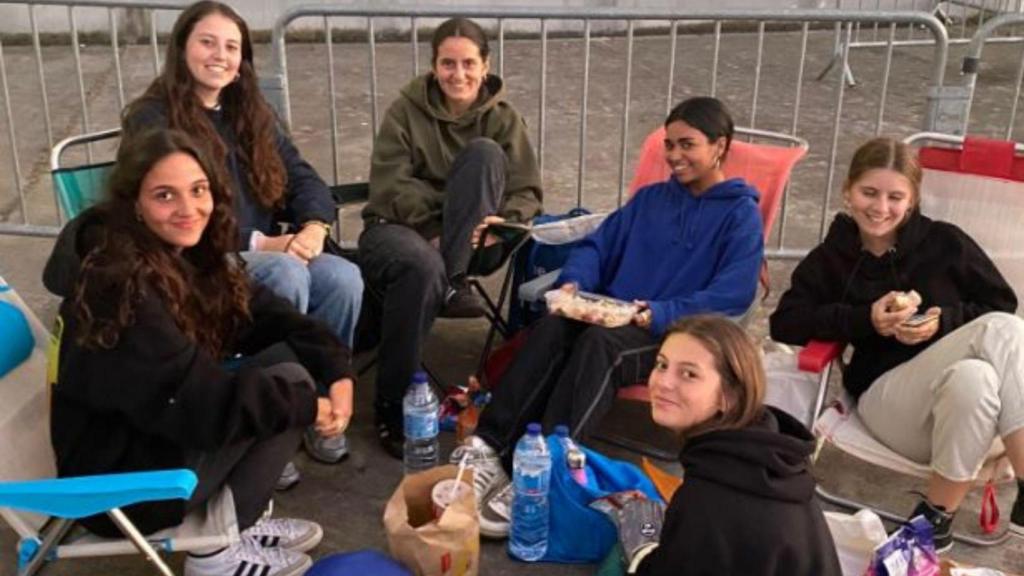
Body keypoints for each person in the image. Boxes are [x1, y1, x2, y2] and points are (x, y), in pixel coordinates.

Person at [451, 96, 765, 539]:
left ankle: (543, 473)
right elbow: (598, 246)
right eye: (669, 145)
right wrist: (574, 285)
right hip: (612, 312)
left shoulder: (740, 215)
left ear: (720, 147)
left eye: (687, 144)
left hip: (676, 333)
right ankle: (490, 446)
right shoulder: (650, 199)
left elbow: (733, 291)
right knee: (554, 325)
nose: (674, 156)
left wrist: (657, 312)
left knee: (601, 347)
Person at [50, 128, 355, 576]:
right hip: (118, 486)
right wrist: (313, 405)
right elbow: (205, 406)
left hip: (147, 434)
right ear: (134, 202)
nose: (189, 210)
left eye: (198, 190)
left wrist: (337, 368)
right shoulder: (118, 286)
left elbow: (264, 313)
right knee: (289, 388)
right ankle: (215, 556)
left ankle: (234, 525)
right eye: (165, 195)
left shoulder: (177, 251)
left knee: (282, 363)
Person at [120, 1, 362, 466]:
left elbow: (303, 177)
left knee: (343, 278)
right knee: (285, 275)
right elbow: (165, 215)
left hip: (274, 251)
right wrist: (259, 243)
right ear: (182, 48)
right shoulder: (152, 119)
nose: (220, 55)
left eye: (232, 46)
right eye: (207, 42)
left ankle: (323, 407)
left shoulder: (250, 110)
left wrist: (314, 225)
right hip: (191, 260)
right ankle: (271, 423)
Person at [770, 137, 1024, 552]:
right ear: (847, 191)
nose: (880, 207)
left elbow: (1000, 303)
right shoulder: (832, 258)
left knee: (977, 371)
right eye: (869, 192)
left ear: (913, 199)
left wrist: (943, 322)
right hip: (887, 404)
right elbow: (786, 322)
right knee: (1004, 330)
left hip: (964, 417)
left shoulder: (945, 243)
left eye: (895, 196)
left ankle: (935, 521)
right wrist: (864, 319)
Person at [361, 17, 543, 457]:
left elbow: (526, 192)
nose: (457, 74)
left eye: (468, 63)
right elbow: (390, 186)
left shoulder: (503, 118)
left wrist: (497, 222)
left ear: (485, 65)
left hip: (478, 245)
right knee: (421, 267)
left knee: (483, 155)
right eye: (447, 63)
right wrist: (443, 225)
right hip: (402, 231)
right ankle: (394, 405)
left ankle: (454, 276)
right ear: (433, 65)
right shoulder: (405, 111)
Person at [607, 315, 841, 575]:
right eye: (662, 365)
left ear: (728, 396)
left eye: (688, 374)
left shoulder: (710, 496)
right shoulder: (768, 454)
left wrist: (642, 547)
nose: (662, 382)